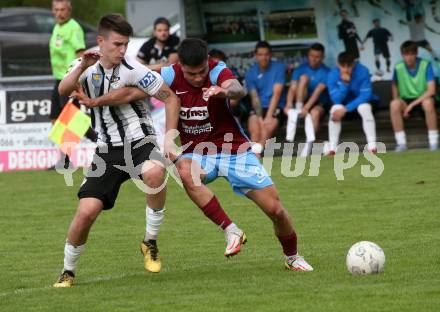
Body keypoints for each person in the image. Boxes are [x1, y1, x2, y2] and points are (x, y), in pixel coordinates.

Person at [85, 38, 314, 272]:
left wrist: (222, 90)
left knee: (276, 210)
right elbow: (134, 85)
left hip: (233, 150)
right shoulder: (171, 74)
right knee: (184, 170)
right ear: (180, 65)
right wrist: (96, 97)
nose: (196, 78)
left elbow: (238, 89)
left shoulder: (217, 70)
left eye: (201, 72)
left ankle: (292, 257)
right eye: (190, 74)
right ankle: (231, 230)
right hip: (198, 152)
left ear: (207, 61)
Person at [52, 14, 180, 288]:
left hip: (141, 141)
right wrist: (80, 68)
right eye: (117, 44)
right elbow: (64, 90)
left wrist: (169, 140)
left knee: (155, 173)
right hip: (107, 149)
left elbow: (170, 98)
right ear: (101, 41)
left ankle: (150, 242)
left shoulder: (134, 69)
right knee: (86, 212)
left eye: (126, 45)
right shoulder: (83, 65)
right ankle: (67, 271)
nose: (122, 50)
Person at [49, 0, 86, 168]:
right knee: (55, 117)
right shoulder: (57, 27)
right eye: (56, 10)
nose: (59, 13)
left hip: (69, 80)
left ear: (69, 11)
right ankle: (63, 158)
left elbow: (80, 54)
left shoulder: (74, 27)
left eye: (63, 9)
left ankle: (67, 158)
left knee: (71, 118)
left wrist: (78, 79)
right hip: (58, 79)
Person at [390, 40, 438, 152]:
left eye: (412, 54)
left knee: (428, 103)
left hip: (423, 98)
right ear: (402, 55)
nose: (409, 57)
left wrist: (411, 106)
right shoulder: (398, 67)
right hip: (406, 100)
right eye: (406, 54)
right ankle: (401, 143)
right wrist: (399, 102)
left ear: (416, 54)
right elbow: (394, 85)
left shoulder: (426, 64)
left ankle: (433, 142)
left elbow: (431, 90)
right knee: (394, 104)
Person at [284, 43, 330, 157]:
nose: (313, 59)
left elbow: (317, 92)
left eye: (317, 56)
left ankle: (308, 145)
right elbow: (293, 88)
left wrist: (306, 108)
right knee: (303, 78)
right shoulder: (301, 68)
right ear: (308, 55)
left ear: (323, 57)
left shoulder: (327, 71)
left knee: (314, 113)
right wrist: (289, 104)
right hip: (302, 99)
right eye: (311, 56)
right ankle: (298, 107)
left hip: (319, 102)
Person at [327, 52, 378, 154]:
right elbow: (336, 100)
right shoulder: (332, 74)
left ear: (353, 64)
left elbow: (365, 96)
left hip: (362, 104)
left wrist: (346, 108)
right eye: (343, 66)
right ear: (338, 64)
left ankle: (372, 146)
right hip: (343, 107)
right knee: (335, 108)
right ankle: (332, 148)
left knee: (364, 107)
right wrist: (344, 84)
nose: (346, 69)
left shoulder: (363, 71)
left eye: (349, 66)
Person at [245, 41, 287, 156]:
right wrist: (259, 118)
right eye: (260, 54)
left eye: (266, 54)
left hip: (276, 106)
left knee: (266, 130)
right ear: (256, 55)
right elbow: (254, 97)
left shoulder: (279, 68)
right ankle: (255, 158)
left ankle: (256, 155)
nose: (264, 57)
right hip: (259, 107)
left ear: (271, 54)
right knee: (255, 131)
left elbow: (277, 94)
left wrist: (268, 116)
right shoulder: (250, 73)